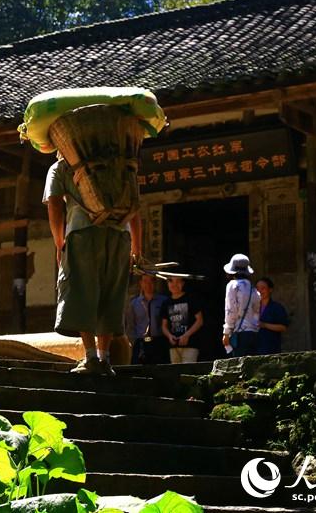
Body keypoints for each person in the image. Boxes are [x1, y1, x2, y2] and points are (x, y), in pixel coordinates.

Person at [44, 158, 142, 376]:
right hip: (120, 234)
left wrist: (59, 242)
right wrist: (137, 248)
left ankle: (90, 357)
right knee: (111, 293)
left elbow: (54, 203)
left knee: (81, 292)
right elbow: (135, 204)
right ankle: (105, 358)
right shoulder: (120, 162)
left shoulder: (61, 167)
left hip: (82, 233)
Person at [221, 254, 260, 357]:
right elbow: (256, 313)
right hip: (253, 334)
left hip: (239, 334)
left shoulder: (232, 286)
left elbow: (230, 311)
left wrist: (226, 333)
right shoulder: (253, 288)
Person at [124, 274, 169, 364]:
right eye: (145, 281)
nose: (148, 284)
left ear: (155, 283)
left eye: (151, 281)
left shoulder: (164, 301)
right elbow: (130, 325)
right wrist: (134, 342)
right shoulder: (134, 303)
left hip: (159, 342)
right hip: (140, 343)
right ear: (141, 283)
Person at [160, 276, 204, 364]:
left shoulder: (190, 299)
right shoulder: (166, 303)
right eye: (171, 281)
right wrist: (169, 336)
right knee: (175, 374)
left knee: (188, 373)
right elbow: (163, 326)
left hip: (190, 345)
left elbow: (199, 321)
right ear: (167, 284)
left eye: (178, 281)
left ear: (183, 283)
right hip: (173, 346)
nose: (174, 284)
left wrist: (186, 335)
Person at [255, 277, 290, 354]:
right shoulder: (252, 307)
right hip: (254, 348)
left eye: (263, 288)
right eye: (257, 288)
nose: (259, 291)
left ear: (270, 290)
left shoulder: (277, 307)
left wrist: (265, 325)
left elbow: (283, 327)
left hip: (271, 347)